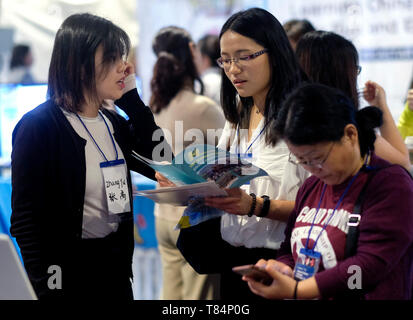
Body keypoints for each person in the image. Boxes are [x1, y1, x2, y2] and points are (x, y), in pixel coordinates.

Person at [10, 13, 168, 300]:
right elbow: (25, 221)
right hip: (67, 277)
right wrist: (49, 286)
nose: (124, 66)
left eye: (122, 56)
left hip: (116, 269)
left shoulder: (113, 122)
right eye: (111, 57)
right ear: (79, 65)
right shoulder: (40, 126)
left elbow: (162, 158)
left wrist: (131, 100)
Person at [175, 8, 308, 300]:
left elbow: (323, 205)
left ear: (274, 52)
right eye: (226, 59)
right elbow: (221, 176)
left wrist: (256, 206)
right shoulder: (238, 110)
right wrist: (186, 184)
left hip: (286, 265)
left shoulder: (304, 113)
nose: (233, 69)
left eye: (244, 56)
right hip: (234, 264)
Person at [242, 83, 413, 300]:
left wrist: (298, 290)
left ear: (350, 135)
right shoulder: (312, 186)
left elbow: (368, 268)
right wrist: (282, 269)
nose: (313, 169)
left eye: (318, 158)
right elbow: (288, 249)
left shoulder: (391, 184)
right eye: (302, 161)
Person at [150, 26, 224, 300]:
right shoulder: (202, 107)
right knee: (199, 298)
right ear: (191, 51)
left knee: (171, 295)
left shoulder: (155, 106)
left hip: (163, 214)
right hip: (194, 217)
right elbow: (233, 156)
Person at [296, 30, 410, 170]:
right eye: (354, 70)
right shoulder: (349, 132)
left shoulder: (289, 123)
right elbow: (403, 167)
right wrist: (381, 106)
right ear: (343, 76)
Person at [196, 34, 222, 105]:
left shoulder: (203, 84)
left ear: (205, 59)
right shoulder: (229, 80)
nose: (195, 61)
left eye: (197, 56)